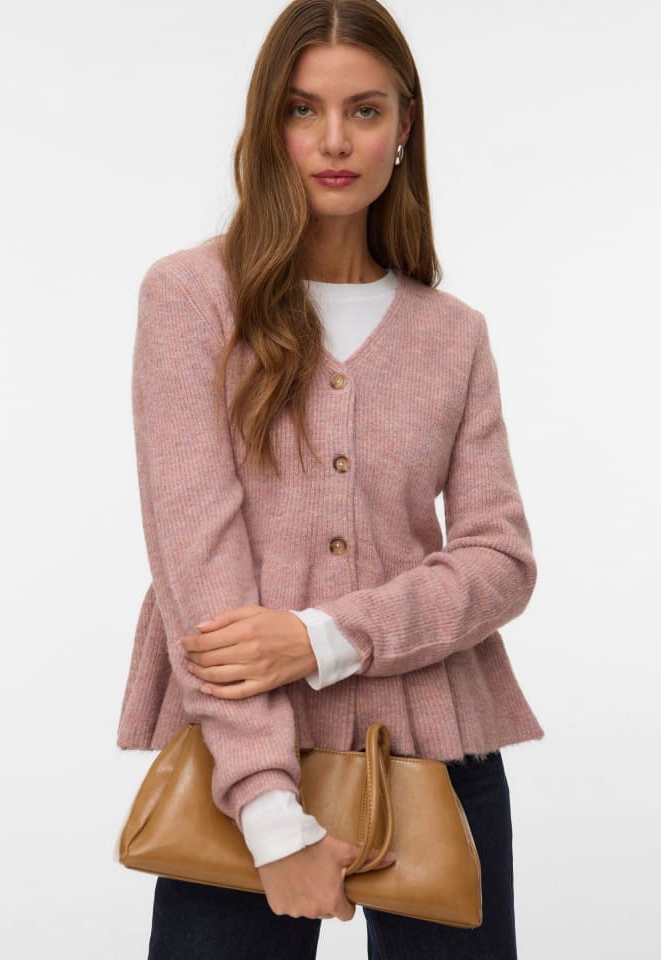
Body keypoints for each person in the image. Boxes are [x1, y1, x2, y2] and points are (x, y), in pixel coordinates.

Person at [116, 0, 545, 956]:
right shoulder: (191, 299)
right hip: (237, 767)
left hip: (438, 746)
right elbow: (198, 565)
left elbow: (502, 560)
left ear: (405, 126)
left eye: (366, 110)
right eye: (303, 110)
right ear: (267, 124)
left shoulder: (453, 334)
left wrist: (322, 638)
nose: (335, 140)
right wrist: (270, 813)